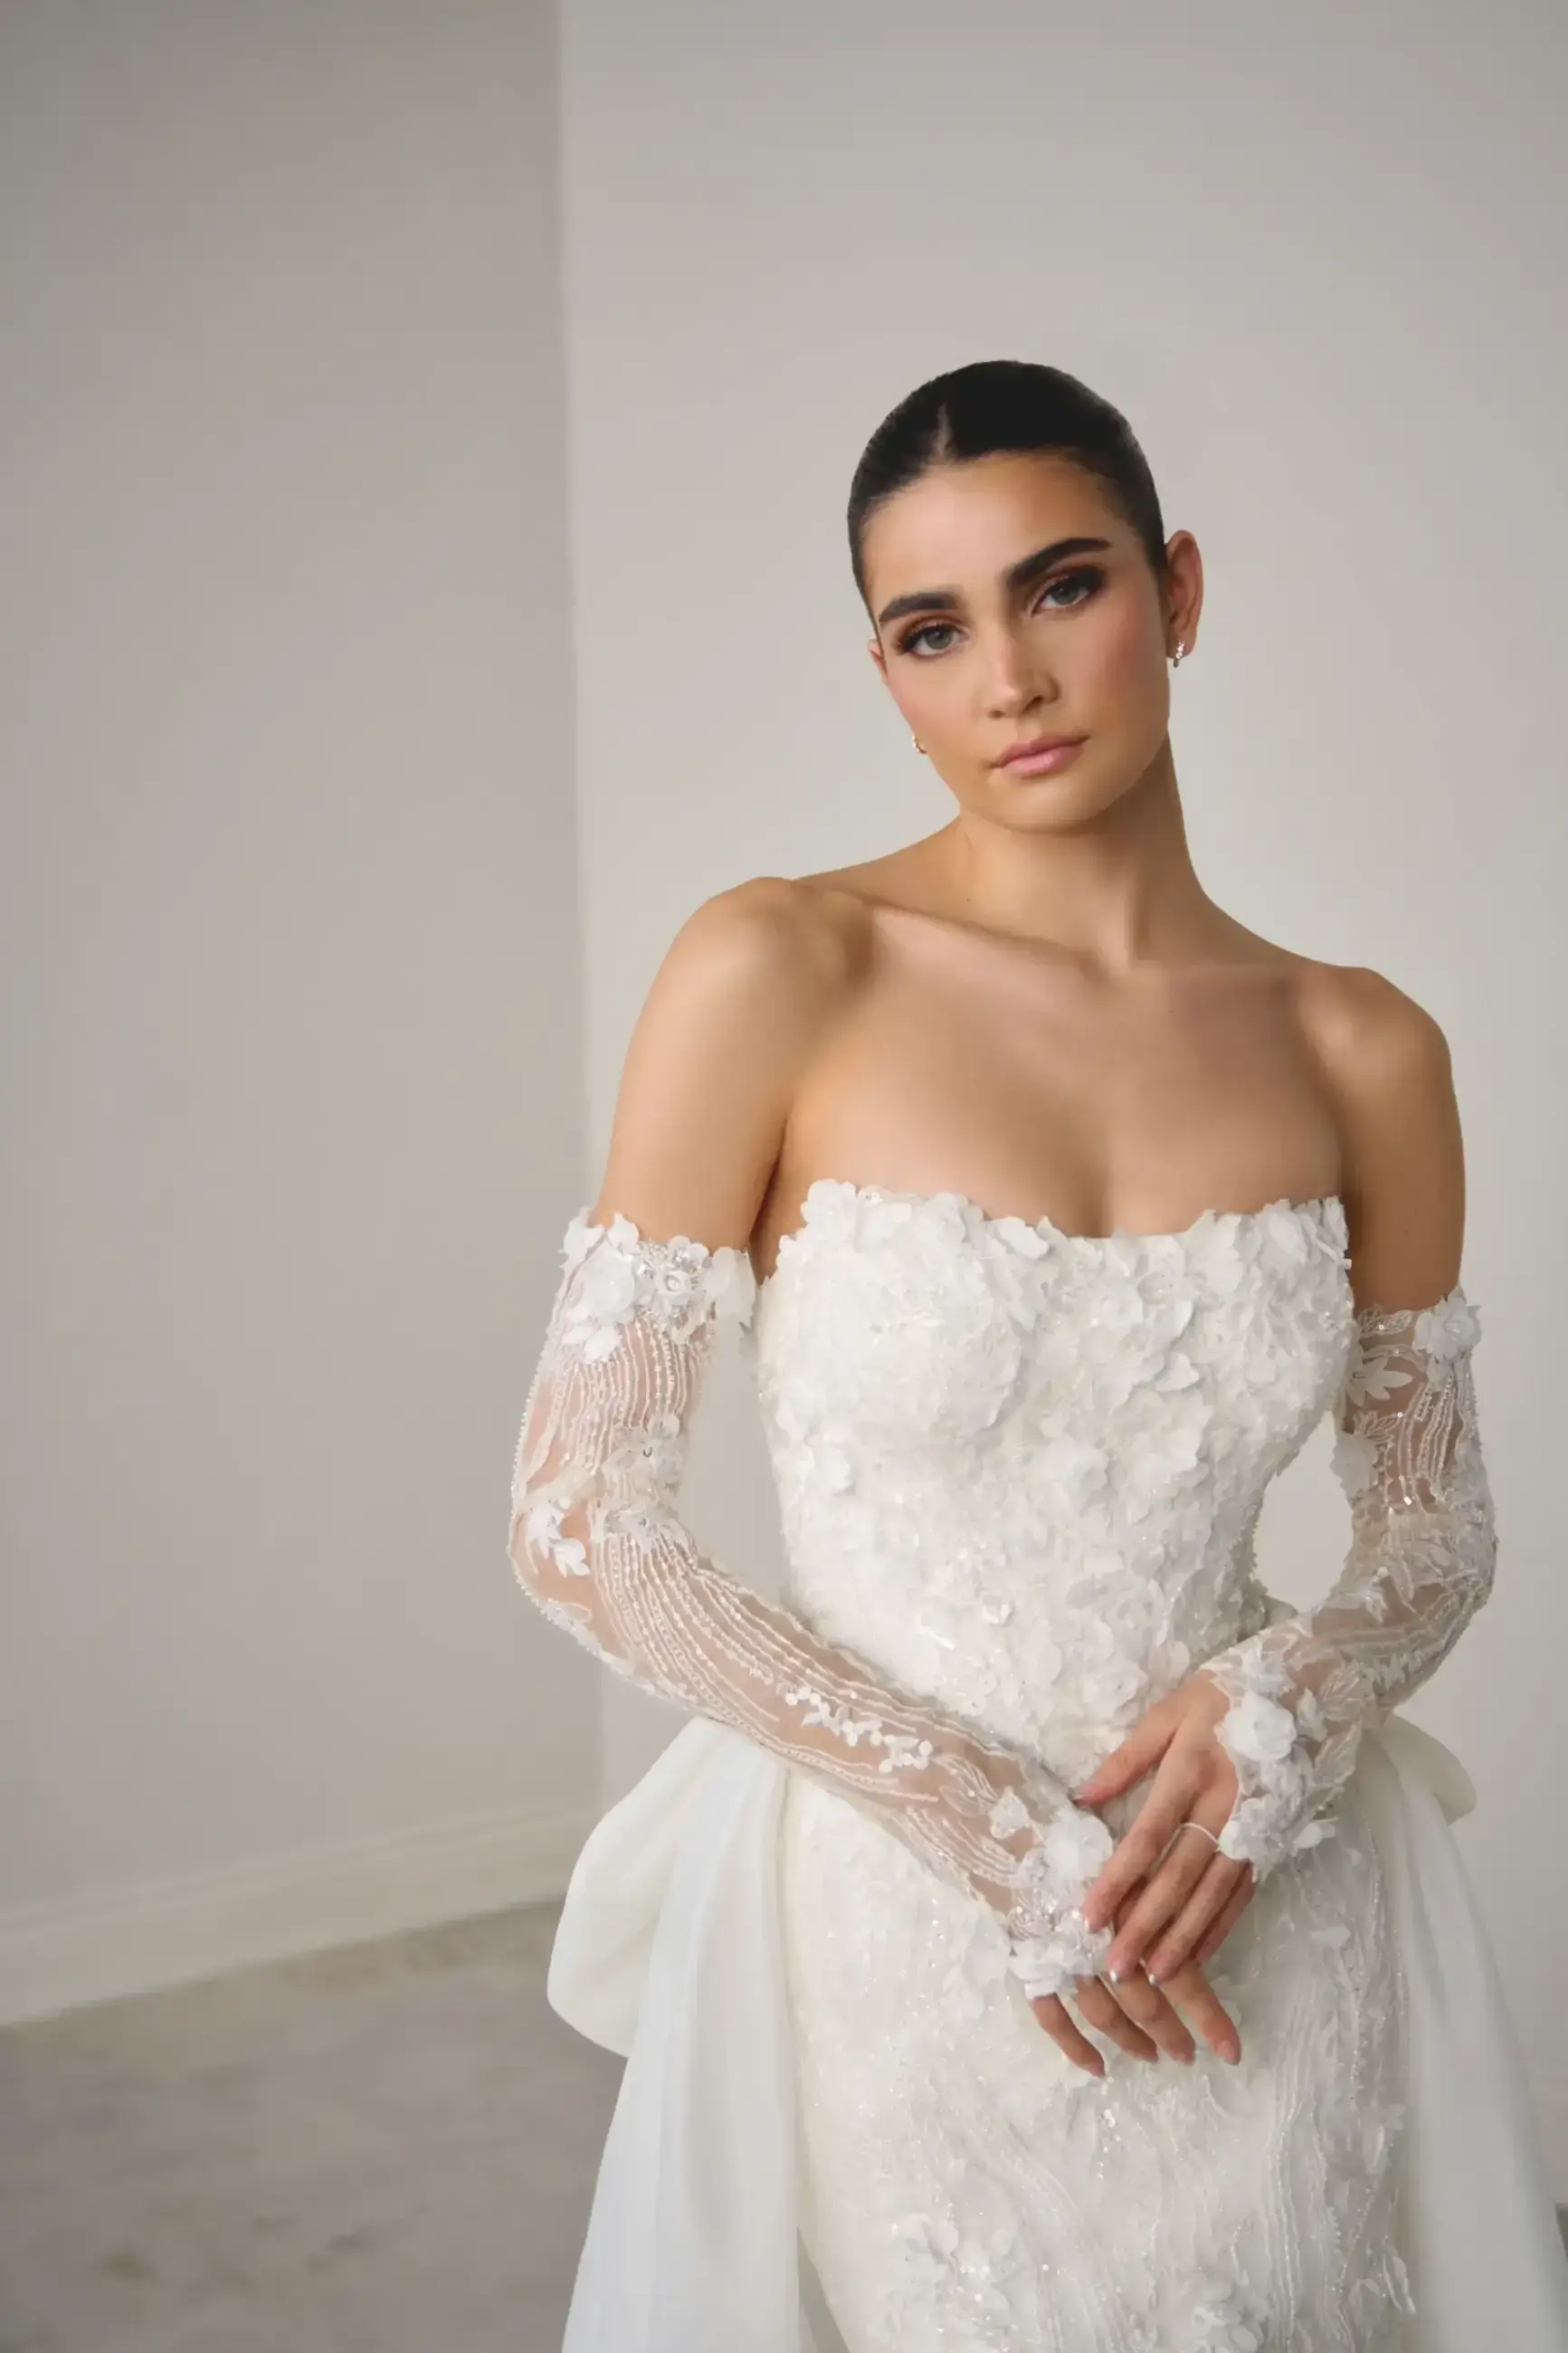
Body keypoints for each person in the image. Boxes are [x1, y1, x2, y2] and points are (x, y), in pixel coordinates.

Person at [507, 359, 1568, 2351]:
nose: (1005, 674)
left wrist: (1293, 1700)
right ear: (886, 672)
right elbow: (578, 1518)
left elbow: (1437, 1518)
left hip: (1263, 1887)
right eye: (931, 628)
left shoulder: (1360, 1047)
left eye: (1058, 588)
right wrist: (968, 1812)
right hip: (907, 1918)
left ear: (1172, 588)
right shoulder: (775, 969)